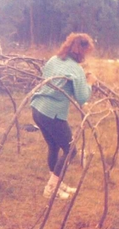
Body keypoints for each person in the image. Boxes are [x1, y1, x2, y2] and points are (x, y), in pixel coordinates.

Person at [30, 33, 97, 199]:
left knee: (54, 146)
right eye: (86, 51)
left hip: (38, 108)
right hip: (52, 113)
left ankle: (57, 183)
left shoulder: (54, 59)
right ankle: (51, 188)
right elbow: (82, 97)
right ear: (81, 51)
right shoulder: (76, 69)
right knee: (70, 150)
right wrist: (89, 83)